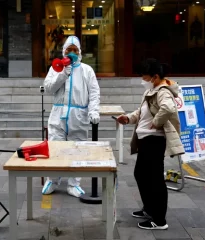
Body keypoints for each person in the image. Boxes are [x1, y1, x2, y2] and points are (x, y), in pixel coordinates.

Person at [116, 59, 184, 230]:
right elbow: (142, 111)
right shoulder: (153, 90)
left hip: (154, 140)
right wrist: (129, 118)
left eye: (144, 78)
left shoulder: (163, 92)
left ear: (154, 77)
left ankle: (159, 220)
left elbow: (168, 108)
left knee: (155, 180)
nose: (142, 81)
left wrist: (156, 121)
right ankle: (149, 209)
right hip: (146, 139)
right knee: (141, 174)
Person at [42, 35, 100, 198]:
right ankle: (53, 180)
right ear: (64, 51)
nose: (72, 53)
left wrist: (93, 111)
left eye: (75, 50)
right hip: (58, 114)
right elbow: (49, 88)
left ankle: (74, 184)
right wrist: (62, 73)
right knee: (55, 147)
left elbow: (94, 92)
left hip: (78, 115)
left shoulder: (86, 70)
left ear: (80, 52)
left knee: (78, 149)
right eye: (69, 50)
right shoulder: (56, 68)